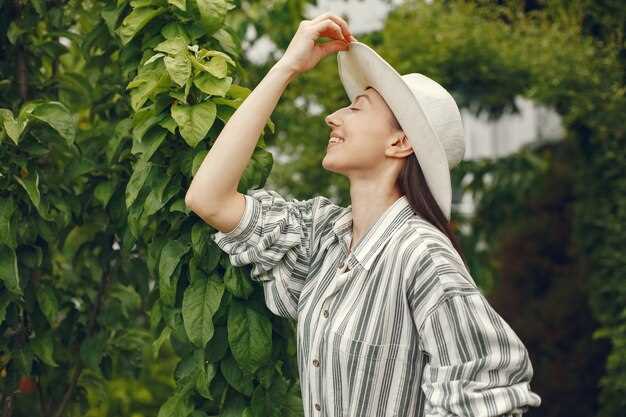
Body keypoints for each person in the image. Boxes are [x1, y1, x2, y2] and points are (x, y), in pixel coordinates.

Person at [185, 12, 541, 417]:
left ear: (400, 141)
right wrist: (286, 68)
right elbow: (208, 198)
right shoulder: (323, 239)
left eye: (357, 107)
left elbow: (489, 396)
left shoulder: (421, 256)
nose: (332, 116)